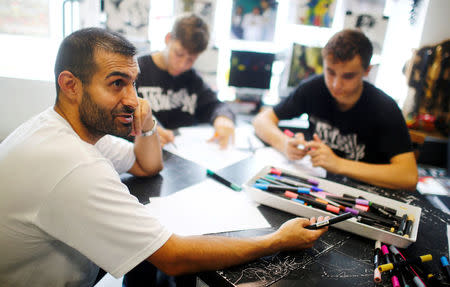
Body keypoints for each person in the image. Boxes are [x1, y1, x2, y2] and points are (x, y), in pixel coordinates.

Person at [0, 27, 328, 287]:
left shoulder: (62, 128)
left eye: (133, 84)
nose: (132, 99)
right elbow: (172, 256)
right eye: (117, 84)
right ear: (71, 85)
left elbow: (147, 165)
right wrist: (276, 240)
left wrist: (147, 126)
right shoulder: (73, 165)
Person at [253, 29, 418, 190]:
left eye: (348, 76)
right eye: (330, 72)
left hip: (364, 195)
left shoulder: (384, 107)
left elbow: (408, 176)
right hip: (320, 185)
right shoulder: (313, 89)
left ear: (367, 71)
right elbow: (261, 120)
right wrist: (284, 144)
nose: (335, 85)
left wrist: (338, 164)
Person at [136, 14, 235, 149]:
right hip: (146, 153)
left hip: (183, 154)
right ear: (168, 39)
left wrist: (223, 117)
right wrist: (146, 131)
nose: (182, 65)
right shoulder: (136, 71)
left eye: (191, 60)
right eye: (179, 54)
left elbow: (215, 105)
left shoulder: (192, 78)